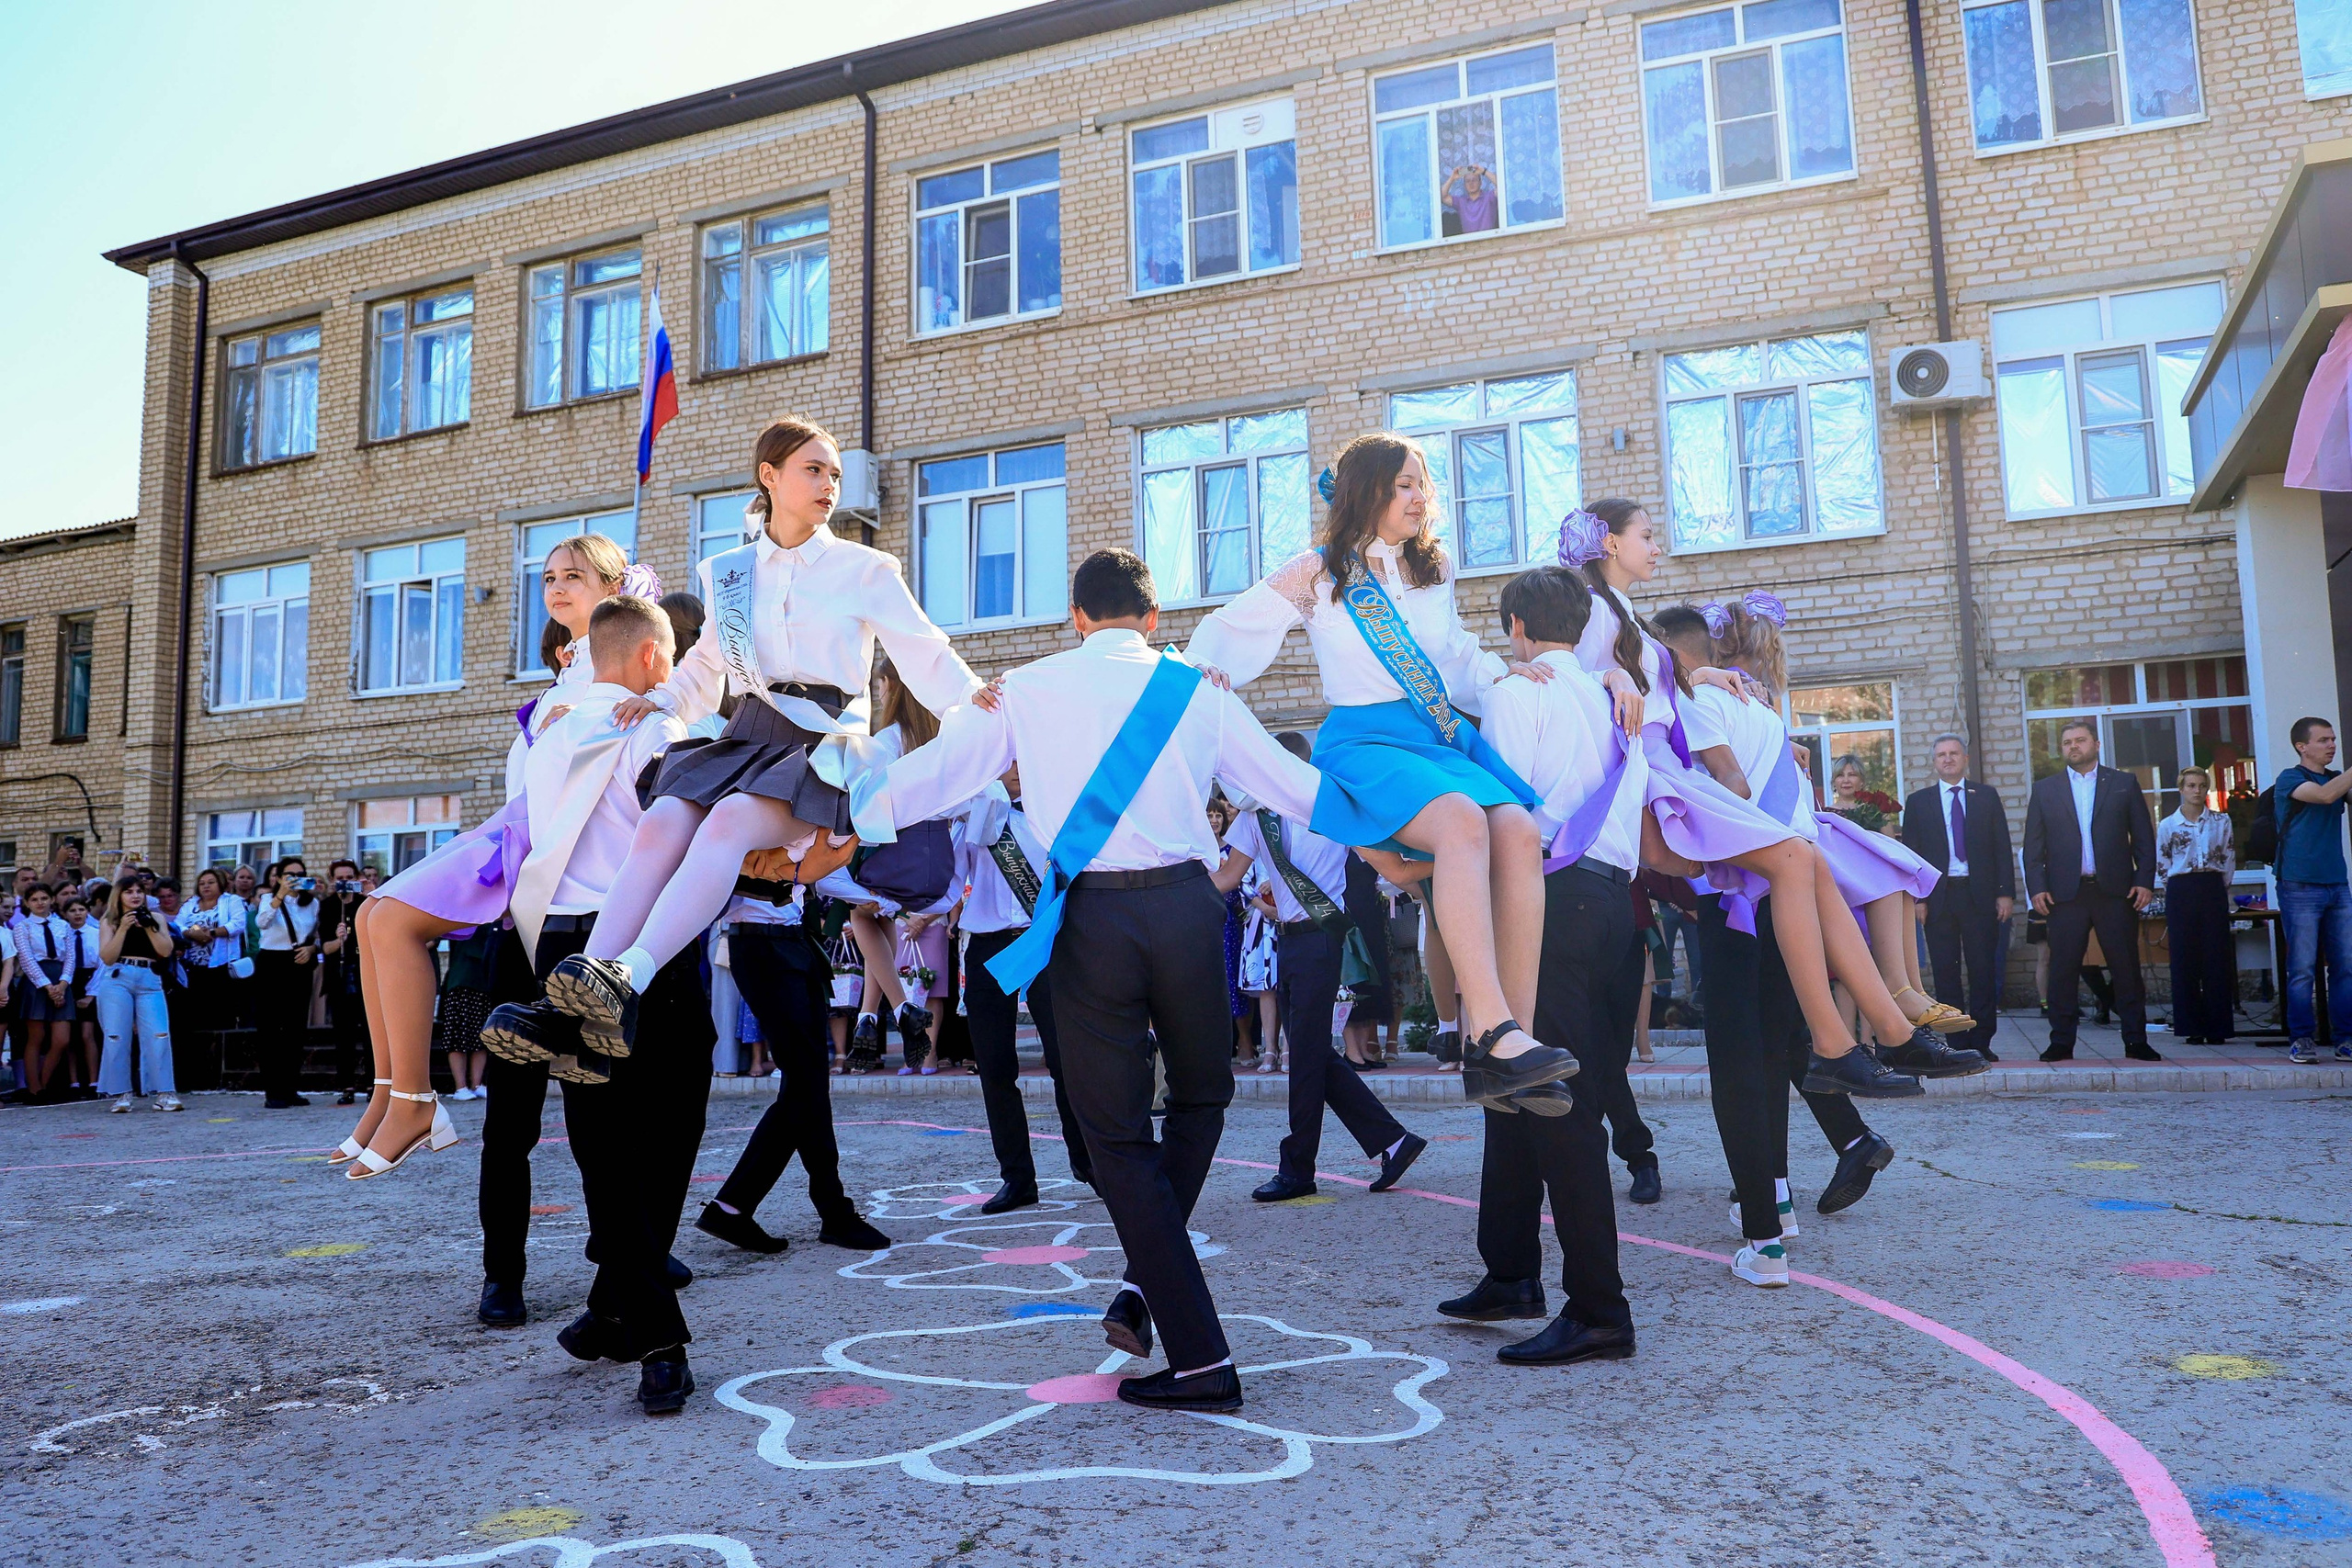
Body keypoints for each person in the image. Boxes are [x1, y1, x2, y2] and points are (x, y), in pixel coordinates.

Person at [861, 547, 1346, 1415]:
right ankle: (1142, 1288)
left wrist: (842, 813)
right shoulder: (1196, 687)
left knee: (1115, 1134)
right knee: (1202, 1097)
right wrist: (1402, 822)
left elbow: (938, 775)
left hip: (1089, 921)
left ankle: (1200, 1355)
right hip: (1191, 908)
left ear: (1077, 617)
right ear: (1153, 619)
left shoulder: (1027, 687)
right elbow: (1291, 786)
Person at [536, 418, 979, 1069]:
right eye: (813, 469)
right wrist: (660, 700)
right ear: (770, 476)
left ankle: (629, 975)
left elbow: (924, 651)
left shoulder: (865, 568)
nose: (829, 484)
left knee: (729, 824)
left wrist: (974, 700)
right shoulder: (730, 573)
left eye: (833, 473)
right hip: (747, 734)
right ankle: (578, 1000)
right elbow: (703, 667)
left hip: (819, 744)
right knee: (660, 822)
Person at [1185, 434, 1579, 1111]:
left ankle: (1512, 1045)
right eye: (1404, 484)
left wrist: (1501, 673)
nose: (1419, 497)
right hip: (1364, 743)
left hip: (1432, 736)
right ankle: (1486, 1029)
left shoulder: (1434, 568)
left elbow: (1453, 653)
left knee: (1518, 829)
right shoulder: (1319, 573)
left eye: (1422, 483)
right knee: (1462, 822)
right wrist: (1205, 664)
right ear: (1367, 490)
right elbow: (1233, 627)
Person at [1559, 502, 1934, 1098]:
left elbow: (1657, 681)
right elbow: (1569, 679)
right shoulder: (1593, 611)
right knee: (1795, 858)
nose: (1656, 547)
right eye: (1647, 536)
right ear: (1609, 543)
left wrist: (1702, 675)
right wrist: (1611, 677)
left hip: (1663, 762)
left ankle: (1887, 1030)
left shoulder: (1623, 612)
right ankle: (1843, 1043)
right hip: (1651, 772)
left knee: (1805, 859)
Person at [472, 594, 715, 1415]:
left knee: (605, 1147)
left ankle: (616, 1308)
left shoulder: (542, 735)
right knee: (669, 1129)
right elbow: (682, 835)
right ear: (652, 657)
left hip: (556, 946)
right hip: (640, 944)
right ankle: (659, 1339)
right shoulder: (654, 726)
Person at [349, 532, 650, 1175]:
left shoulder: (618, 669)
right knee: (370, 914)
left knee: (393, 921)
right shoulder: (570, 669)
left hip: (541, 847)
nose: (557, 588)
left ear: (613, 586)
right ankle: (389, 1093)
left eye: (573, 575)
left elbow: (681, 695)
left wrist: (659, 697)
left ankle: (415, 1102)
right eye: (549, 578)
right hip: (515, 827)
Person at [1440, 564, 1641, 1357]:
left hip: (1548, 899)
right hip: (1613, 901)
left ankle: (1599, 1309)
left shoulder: (1517, 693)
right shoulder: (1615, 696)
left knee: (1558, 1101)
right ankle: (1511, 1268)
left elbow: (1505, 809)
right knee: (1514, 1079)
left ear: (1517, 628)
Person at [1215, 732, 1427, 1203]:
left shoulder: (1328, 805)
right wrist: (1175, 883)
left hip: (1323, 937)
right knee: (1314, 1054)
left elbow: (1384, 857)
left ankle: (1297, 1170)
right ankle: (1394, 1141)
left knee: (1305, 1061)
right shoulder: (1257, 814)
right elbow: (1228, 876)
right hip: (1287, 940)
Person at [690, 884, 894, 1256]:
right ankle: (829, 1210)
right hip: (759, 943)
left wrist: (879, 898)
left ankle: (736, 1207)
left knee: (806, 1086)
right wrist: (880, 899)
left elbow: (821, 873)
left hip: (794, 939)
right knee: (806, 1084)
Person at [939, 768, 1092, 1214]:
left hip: (1043, 941)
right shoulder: (974, 816)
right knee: (994, 1066)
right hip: (987, 945)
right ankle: (1017, 1177)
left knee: (1065, 1060)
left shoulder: (1052, 813)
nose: (1017, 770)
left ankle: (1087, 1161)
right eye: (1007, 762)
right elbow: (948, 886)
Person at [2024, 719, 2159, 1062]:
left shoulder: (2123, 784)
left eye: (2080, 740)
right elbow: (2033, 847)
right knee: (2063, 970)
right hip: (2065, 894)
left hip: (2115, 891)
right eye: (2067, 742)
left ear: (2096, 744)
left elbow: (2144, 838)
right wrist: (2037, 887)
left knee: (2125, 967)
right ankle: (2061, 1041)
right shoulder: (2045, 790)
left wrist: (2144, 880)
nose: (2073, 746)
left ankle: (2136, 1040)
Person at [1904, 735, 2016, 1061]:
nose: (1948, 759)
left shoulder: (1986, 797)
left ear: (1965, 759)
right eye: (1941, 754)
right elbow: (1912, 854)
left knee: (1983, 969)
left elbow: (2002, 847)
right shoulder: (1919, 802)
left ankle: (1981, 1041)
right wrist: (1918, 899)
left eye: (1954, 753)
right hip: (1939, 898)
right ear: (1934, 762)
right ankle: (1955, 1042)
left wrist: (2005, 893)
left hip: (1979, 895)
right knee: (1945, 971)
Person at [2272, 716, 2352, 1063]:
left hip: (2337, 884)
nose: (2332, 745)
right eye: (2323, 740)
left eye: (2333, 739)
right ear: (2301, 747)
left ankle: (2346, 1038)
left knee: (2346, 966)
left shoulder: (2337, 778)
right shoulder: (2290, 778)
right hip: (2299, 884)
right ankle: (2301, 1038)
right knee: (2303, 967)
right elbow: (2324, 795)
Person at [2156, 764, 2237, 1045]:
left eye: (2202, 786)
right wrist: (2175, 889)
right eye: (2191, 786)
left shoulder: (2221, 821)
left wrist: (2219, 888)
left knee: (2216, 956)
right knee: (2185, 958)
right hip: (2181, 889)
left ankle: (2218, 1027)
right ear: (2181, 789)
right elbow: (2163, 862)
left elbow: (2228, 856)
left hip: (2212, 886)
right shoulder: (2168, 825)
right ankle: (2192, 1026)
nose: (2197, 791)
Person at [96, 878, 180, 1112]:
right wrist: (123, 928)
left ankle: (164, 1092)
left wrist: (148, 926)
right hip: (118, 977)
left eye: (139, 891)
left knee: (159, 1034)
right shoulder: (109, 920)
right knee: (116, 1035)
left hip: (149, 978)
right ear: (119, 895)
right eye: (128, 892)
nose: (135, 896)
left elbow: (165, 950)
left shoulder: (157, 918)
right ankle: (121, 1093)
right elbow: (107, 957)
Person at [253, 858, 322, 1108]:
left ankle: (290, 1088)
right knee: (271, 1028)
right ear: (279, 878)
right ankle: (273, 1092)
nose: (295, 879)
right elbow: (262, 922)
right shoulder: (268, 900)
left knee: (295, 1028)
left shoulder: (312, 903)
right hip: (272, 963)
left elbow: (317, 934)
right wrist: (279, 895)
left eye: (300, 874)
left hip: (298, 962)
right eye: (290, 875)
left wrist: (312, 949)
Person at [314, 861, 370, 1105]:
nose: (345, 882)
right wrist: (340, 940)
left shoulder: (365, 904)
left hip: (364, 973)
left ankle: (373, 1083)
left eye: (349, 877)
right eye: (340, 878)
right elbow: (325, 948)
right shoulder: (327, 907)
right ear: (332, 880)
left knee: (369, 1033)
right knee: (343, 1034)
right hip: (339, 975)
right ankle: (346, 1085)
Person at [16, 883, 76, 1100]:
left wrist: (62, 984)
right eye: (34, 899)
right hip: (36, 982)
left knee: (62, 1039)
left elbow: (70, 957)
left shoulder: (63, 926)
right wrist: (47, 987)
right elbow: (26, 959)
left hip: (60, 979)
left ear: (51, 899)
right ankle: (35, 1089)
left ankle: (45, 1081)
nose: (40, 903)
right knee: (36, 1037)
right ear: (26, 903)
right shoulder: (23, 927)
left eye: (44, 898)